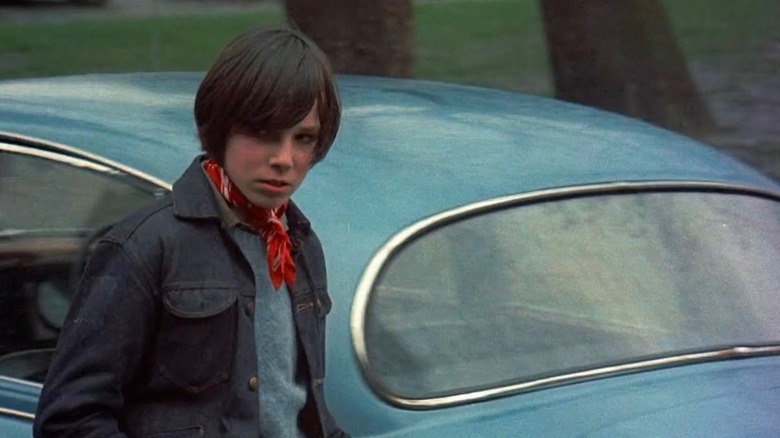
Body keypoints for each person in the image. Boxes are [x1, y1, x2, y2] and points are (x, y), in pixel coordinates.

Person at [34, 26, 348, 438]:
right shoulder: (146, 246)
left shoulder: (300, 244)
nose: (284, 158)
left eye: (303, 138)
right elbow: (69, 422)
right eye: (264, 134)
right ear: (221, 128)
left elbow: (299, 411)